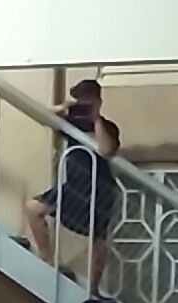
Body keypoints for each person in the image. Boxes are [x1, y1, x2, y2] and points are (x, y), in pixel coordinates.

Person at [25, 79, 122, 291]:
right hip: (73, 187)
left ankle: (93, 289)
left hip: (100, 189)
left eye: (87, 100)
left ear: (98, 101)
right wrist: (63, 108)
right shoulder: (72, 123)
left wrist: (95, 119)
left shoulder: (108, 127)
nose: (82, 104)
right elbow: (39, 114)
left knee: (100, 238)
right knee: (33, 208)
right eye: (80, 100)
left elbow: (107, 149)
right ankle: (47, 259)